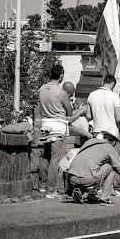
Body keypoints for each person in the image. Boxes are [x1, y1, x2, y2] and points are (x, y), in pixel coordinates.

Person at [38, 65, 74, 198]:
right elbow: (69, 111)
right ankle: (51, 190)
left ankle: (42, 185)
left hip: (45, 124)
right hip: (58, 126)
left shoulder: (42, 89)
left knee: (45, 156)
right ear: (61, 76)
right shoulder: (61, 92)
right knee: (56, 159)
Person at [68, 131, 120, 206]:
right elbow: (118, 168)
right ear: (113, 142)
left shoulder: (89, 142)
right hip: (88, 179)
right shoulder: (109, 147)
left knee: (92, 167)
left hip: (72, 177)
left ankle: (81, 191)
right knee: (110, 168)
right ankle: (105, 198)